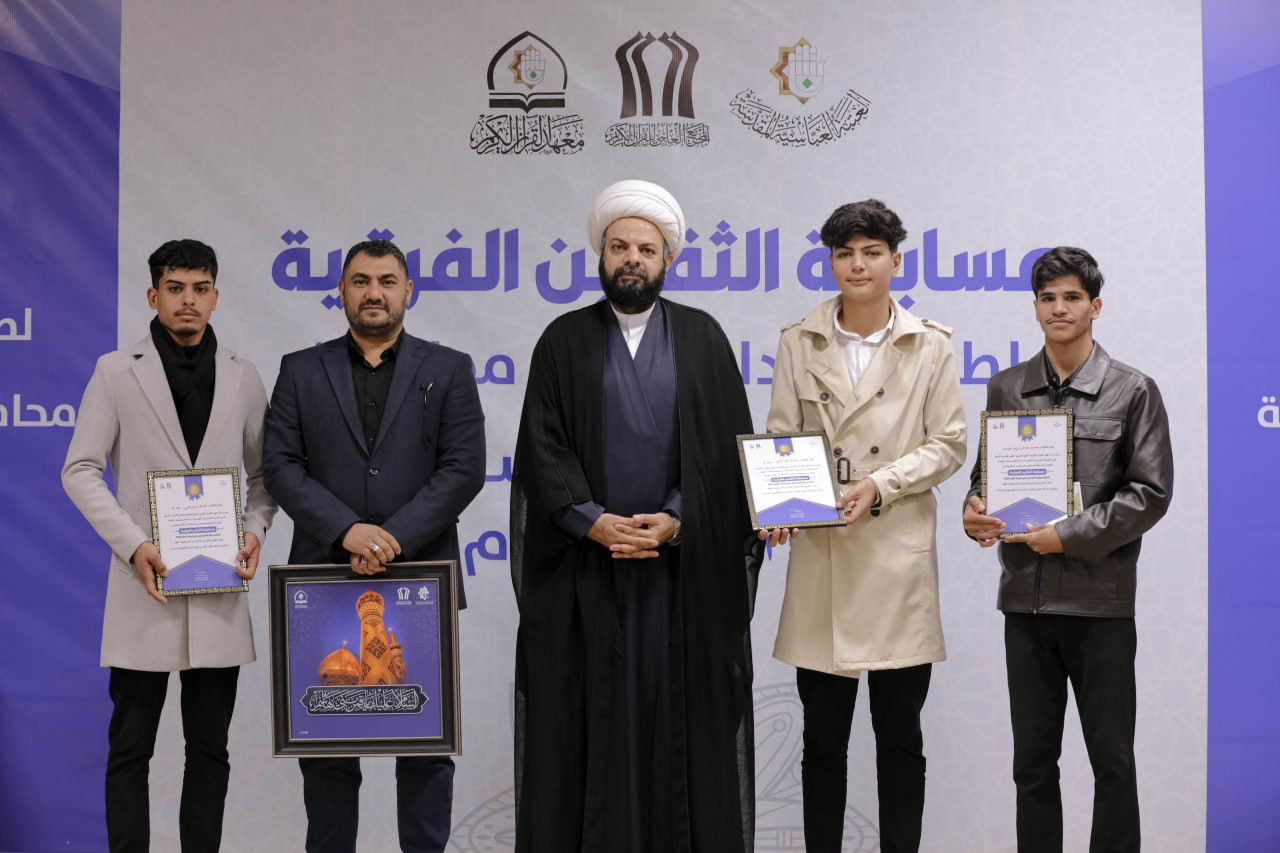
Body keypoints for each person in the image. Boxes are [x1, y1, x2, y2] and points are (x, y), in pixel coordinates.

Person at [509, 179, 762, 852]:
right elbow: (541, 446)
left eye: (646, 249)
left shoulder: (703, 338)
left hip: (680, 581)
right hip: (588, 576)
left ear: (667, 259)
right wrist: (591, 519)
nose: (632, 259)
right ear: (600, 254)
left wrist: (678, 516)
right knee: (589, 730)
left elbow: (727, 453)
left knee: (682, 732)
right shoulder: (563, 340)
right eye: (619, 246)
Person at [262, 239, 485, 853]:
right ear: (341, 291)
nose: (374, 293)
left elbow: (464, 468)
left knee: (426, 748)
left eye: (387, 281)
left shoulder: (450, 367)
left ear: (408, 291)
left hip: (421, 579)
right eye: (360, 281)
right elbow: (280, 466)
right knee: (328, 750)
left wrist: (391, 540)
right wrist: (347, 530)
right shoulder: (301, 369)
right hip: (323, 577)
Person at [761, 200, 966, 852]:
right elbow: (781, 436)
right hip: (824, 560)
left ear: (895, 262)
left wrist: (882, 483)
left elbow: (949, 444)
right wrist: (779, 506)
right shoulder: (799, 341)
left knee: (900, 739)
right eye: (845, 253)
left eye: (872, 252)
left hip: (896, 557)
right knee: (822, 743)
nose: (858, 264)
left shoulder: (930, 344)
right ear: (830, 262)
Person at [62, 239, 277, 853]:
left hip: (218, 584)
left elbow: (265, 476)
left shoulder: (244, 374)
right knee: (131, 749)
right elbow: (80, 469)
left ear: (216, 296)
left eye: (200, 289)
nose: (188, 300)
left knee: (210, 750)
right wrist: (133, 545)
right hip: (145, 588)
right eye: (176, 288)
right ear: (153, 295)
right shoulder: (115, 371)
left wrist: (254, 531)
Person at [962, 246, 1172, 852]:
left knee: (1113, 763)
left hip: (1099, 605)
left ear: (1095, 306)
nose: (1059, 308)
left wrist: (1069, 535)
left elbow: (1150, 494)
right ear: (1035, 308)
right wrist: (975, 508)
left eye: (1072, 297)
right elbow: (986, 475)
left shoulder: (1133, 390)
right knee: (1031, 766)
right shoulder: (1006, 386)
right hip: (1024, 605)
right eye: (1048, 298)